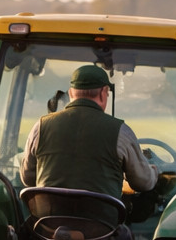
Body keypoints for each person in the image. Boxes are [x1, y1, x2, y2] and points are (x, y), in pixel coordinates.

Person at [20, 64, 158, 198]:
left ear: (70, 93)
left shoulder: (41, 127)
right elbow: (143, 183)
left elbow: (28, 179)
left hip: (48, 219)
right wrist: (155, 171)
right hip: (101, 220)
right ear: (104, 93)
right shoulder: (121, 132)